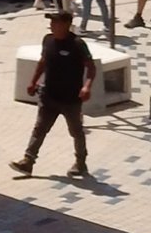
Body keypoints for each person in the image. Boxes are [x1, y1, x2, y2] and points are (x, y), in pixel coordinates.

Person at [13, 10, 96, 178]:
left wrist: (87, 86)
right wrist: (33, 81)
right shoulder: (48, 40)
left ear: (66, 25)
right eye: (51, 22)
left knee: (76, 131)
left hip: (71, 99)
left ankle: (80, 163)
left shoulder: (77, 44)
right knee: (40, 128)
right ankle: (28, 161)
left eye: (55, 22)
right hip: (48, 96)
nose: (51, 25)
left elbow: (91, 67)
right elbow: (42, 62)